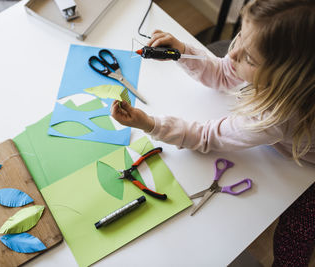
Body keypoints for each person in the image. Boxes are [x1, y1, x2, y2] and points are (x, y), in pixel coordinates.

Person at [111, 0, 315, 266]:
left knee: (296, 235)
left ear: (285, 77)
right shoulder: (278, 64)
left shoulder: (278, 117)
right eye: (240, 33)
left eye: (249, 58)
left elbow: (207, 137)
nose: (232, 53)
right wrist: (182, 52)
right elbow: (222, 72)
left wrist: (149, 124)